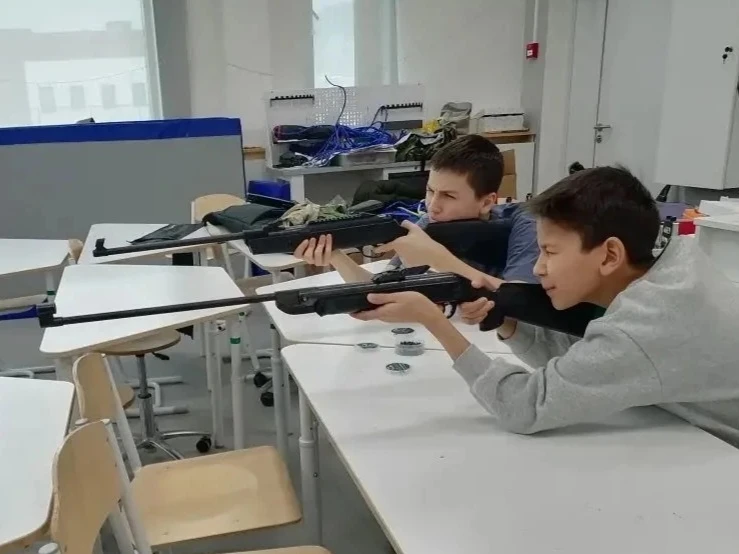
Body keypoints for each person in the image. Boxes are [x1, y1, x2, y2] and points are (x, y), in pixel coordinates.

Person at [352, 166, 739, 446]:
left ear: (610, 255)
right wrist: (508, 322)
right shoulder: (673, 259)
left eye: (550, 252)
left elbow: (525, 407)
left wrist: (433, 320)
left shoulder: (647, 323)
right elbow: (585, 362)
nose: (538, 268)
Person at [293, 135, 539, 284]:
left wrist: (439, 260)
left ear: (486, 202)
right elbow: (380, 289)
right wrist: (336, 256)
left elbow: (522, 303)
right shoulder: (429, 224)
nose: (433, 206)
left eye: (449, 196)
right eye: (430, 191)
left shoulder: (527, 224)